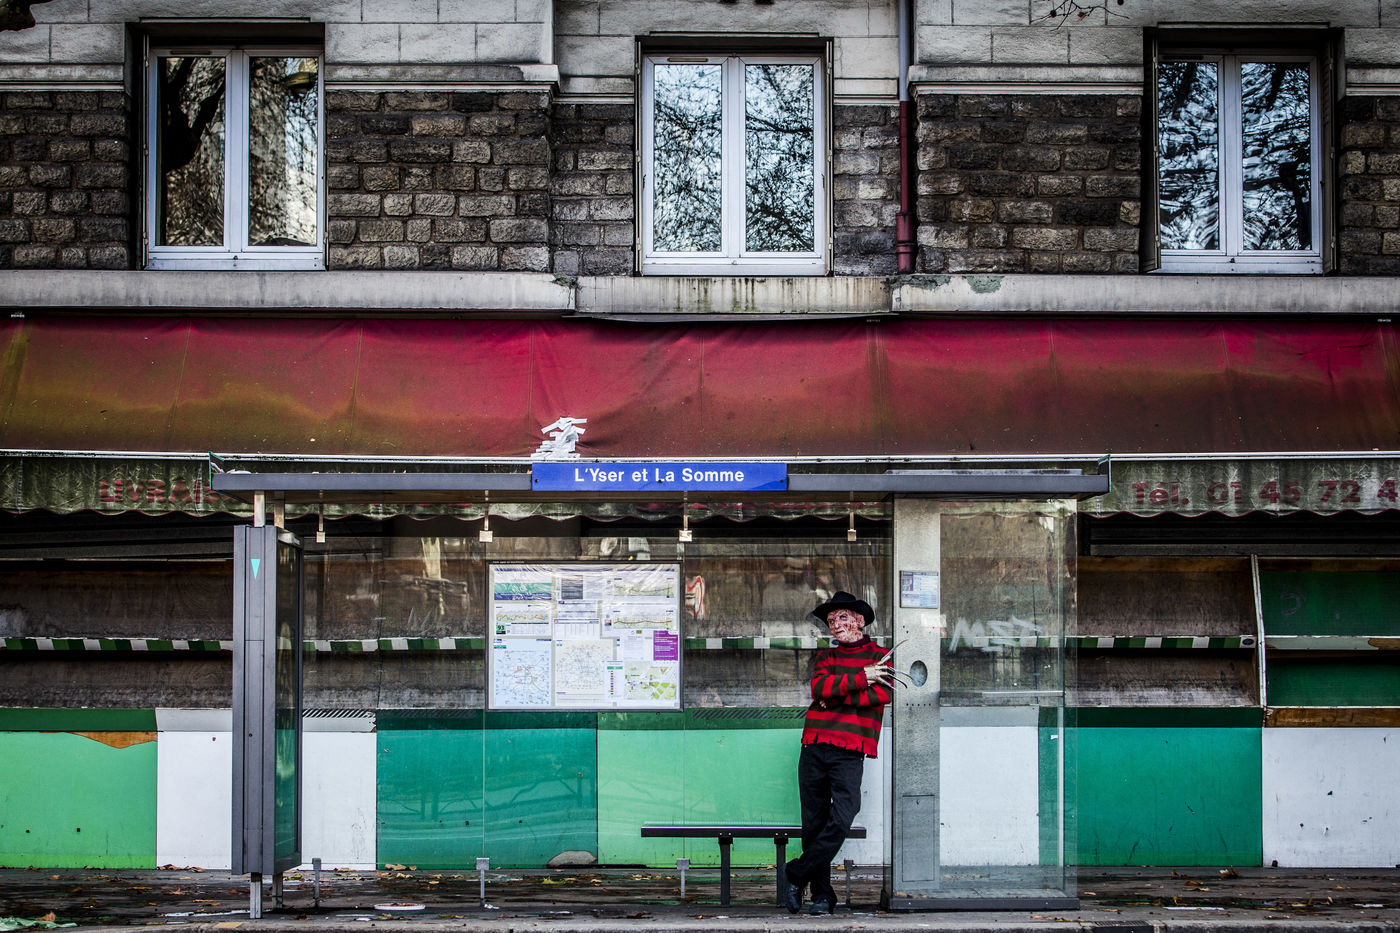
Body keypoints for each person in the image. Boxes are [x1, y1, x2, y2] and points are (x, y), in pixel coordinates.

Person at [780, 590, 893, 915]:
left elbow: (882, 695)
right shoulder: (826, 658)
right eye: (831, 620)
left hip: (850, 750)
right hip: (814, 745)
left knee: (845, 812)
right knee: (813, 822)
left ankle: (796, 873)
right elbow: (819, 689)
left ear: (859, 621)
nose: (835, 624)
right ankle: (822, 896)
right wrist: (861, 678)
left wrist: (838, 694)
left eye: (841, 617)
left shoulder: (880, 657)